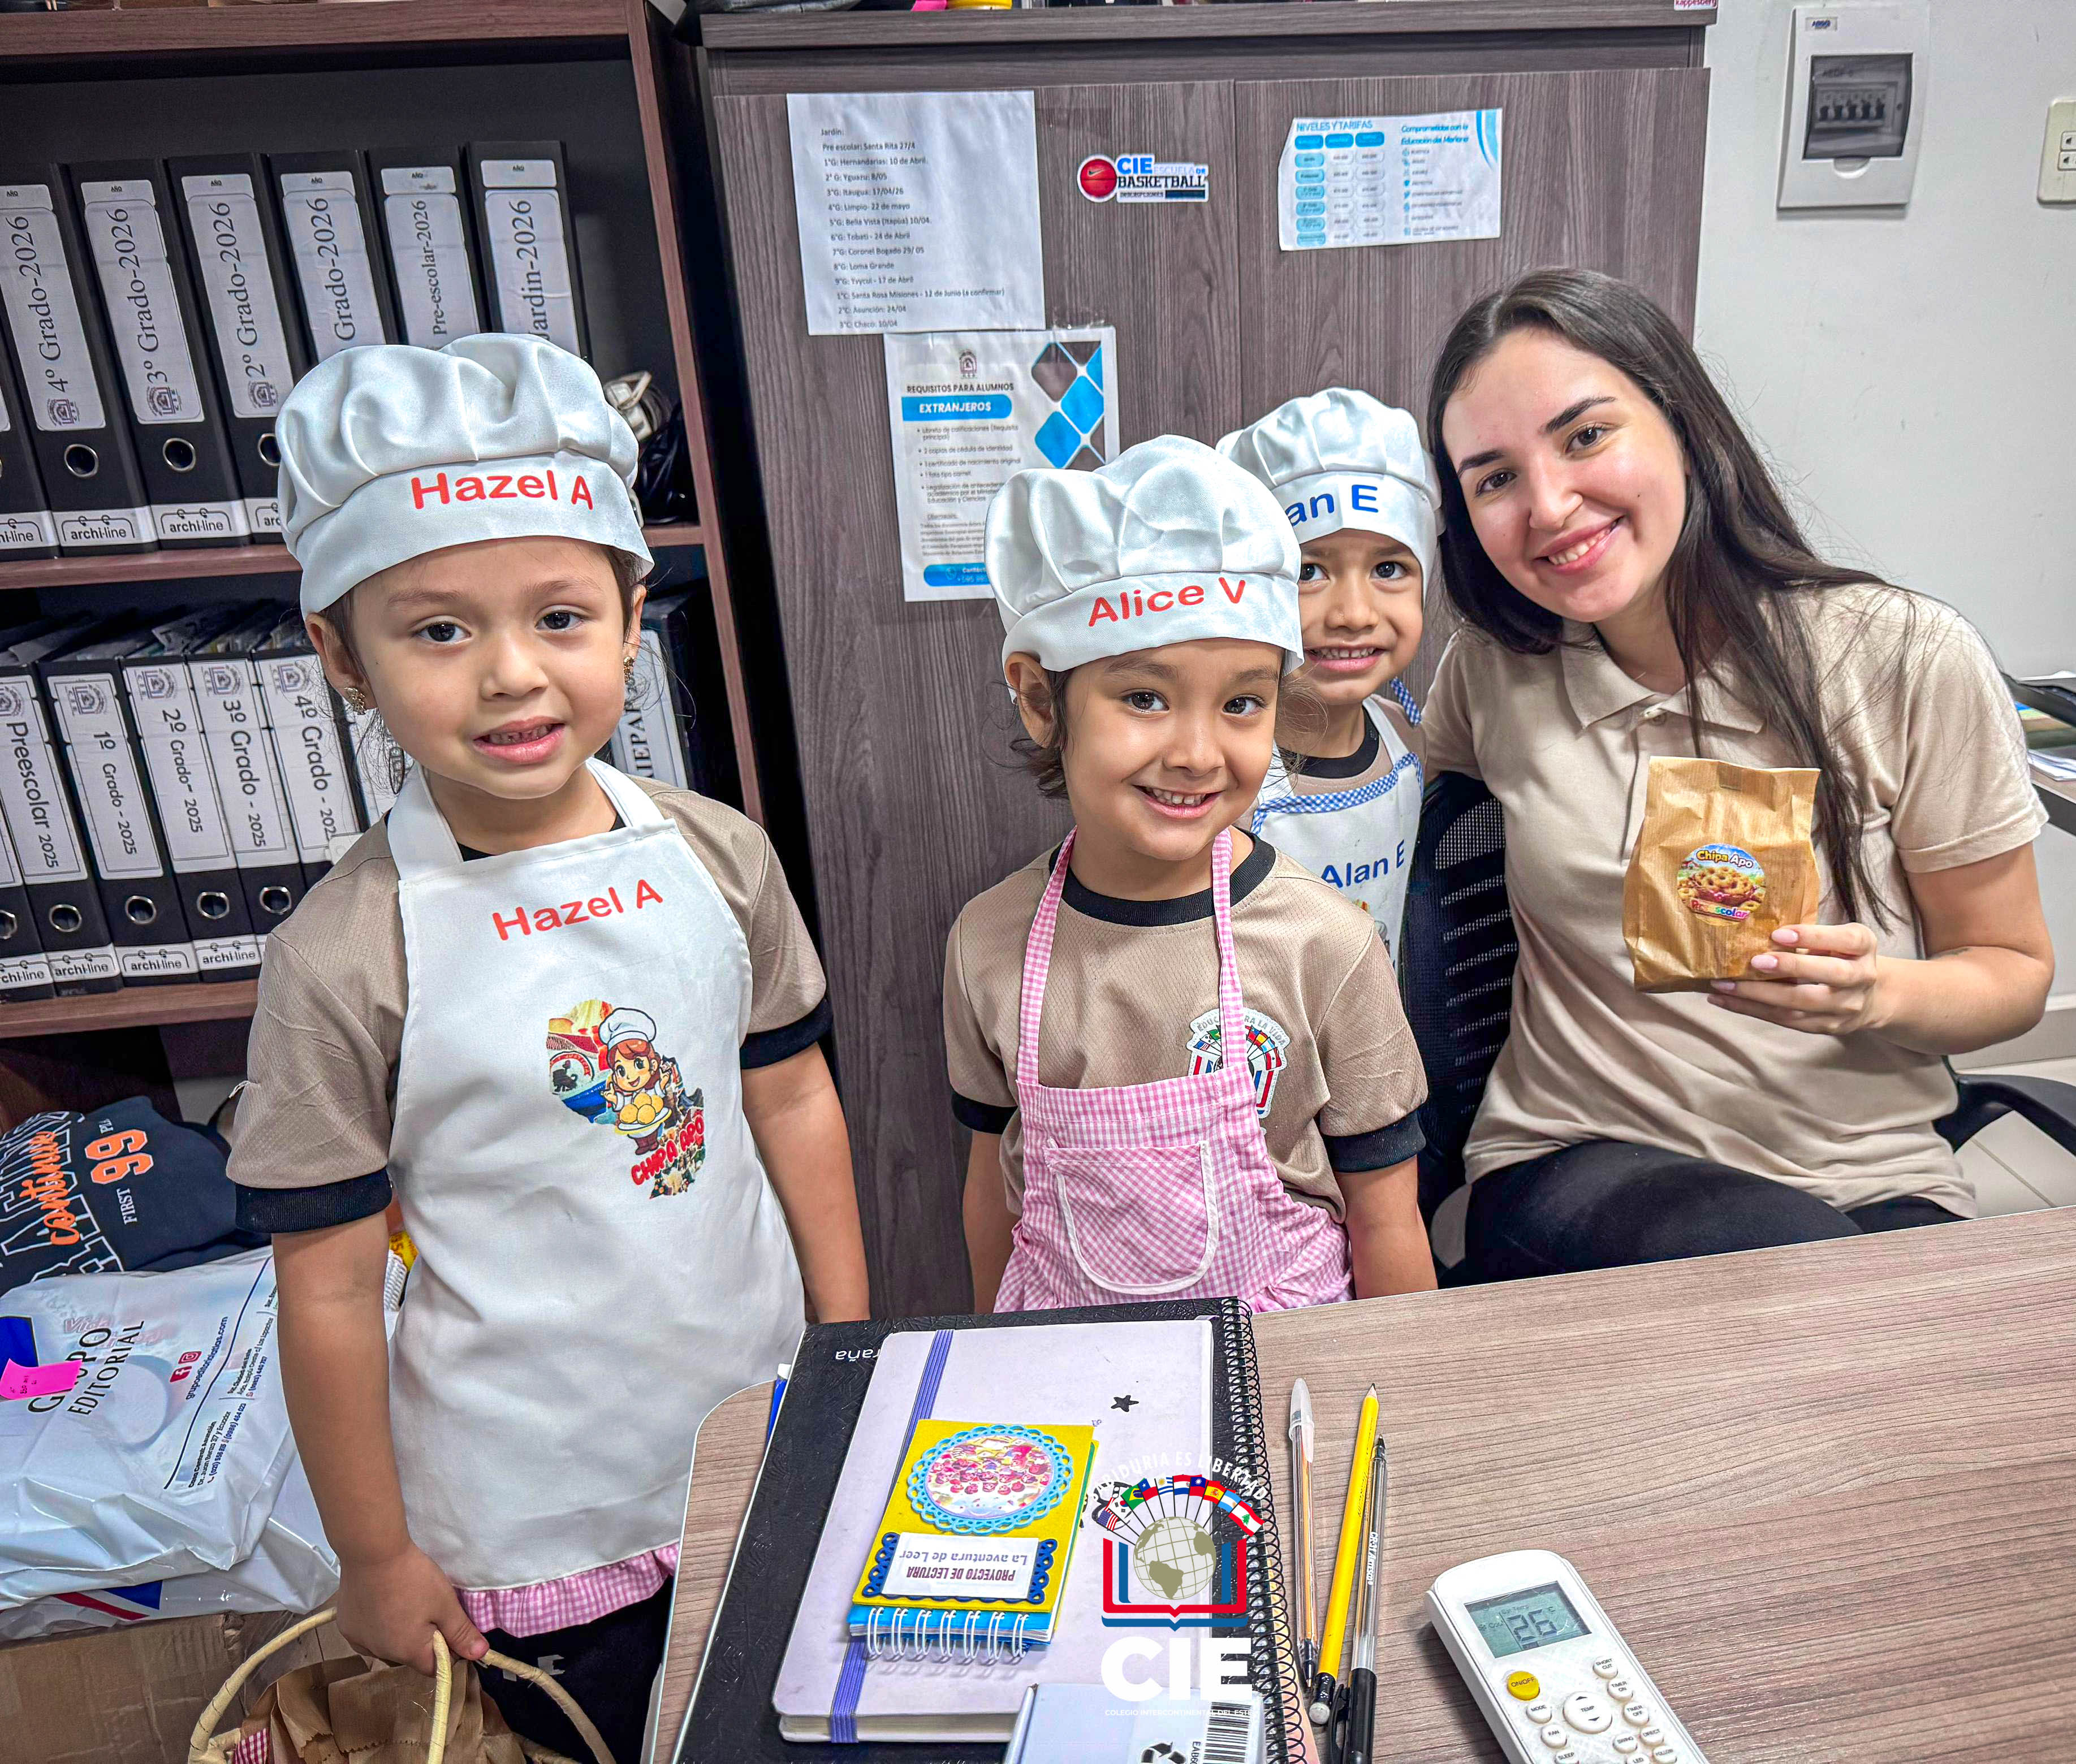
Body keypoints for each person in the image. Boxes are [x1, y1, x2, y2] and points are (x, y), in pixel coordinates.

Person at [228, 335, 869, 1755]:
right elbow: (327, 1289)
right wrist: (376, 1554)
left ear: (635, 616)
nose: (514, 675)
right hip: (524, 1506)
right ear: (341, 653)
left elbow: (796, 1103)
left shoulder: (717, 851)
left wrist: (844, 1345)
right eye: (439, 629)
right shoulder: (344, 952)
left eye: (561, 615)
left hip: (753, 1420)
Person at [1419, 269, 2056, 1279]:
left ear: (1683, 422)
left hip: (1867, 1174)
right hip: (1576, 1159)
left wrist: (1874, 995)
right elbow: (1373, 829)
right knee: (1811, 1298)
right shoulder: (1496, 675)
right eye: (1493, 479)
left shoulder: (1903, 657)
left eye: (1586, 437)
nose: (1548, 505)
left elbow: (2012, 971)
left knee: (1907, 1368)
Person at [948, 435, 1436, 1312]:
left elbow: (1388, 1217)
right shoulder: (988, 942)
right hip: (1068, 1373)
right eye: (1145, 698)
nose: (1198, 753)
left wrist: (1403, 1397)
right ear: (1037, 697)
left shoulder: (1327, 944)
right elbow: (992, 1189)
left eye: (1242, 703)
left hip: (1286, 1368)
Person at [1218, 389, 1438, 967]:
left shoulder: (1409, 739)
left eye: (1388, 569)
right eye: (1308, 571)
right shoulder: (1217, 776)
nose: (1352, 614)